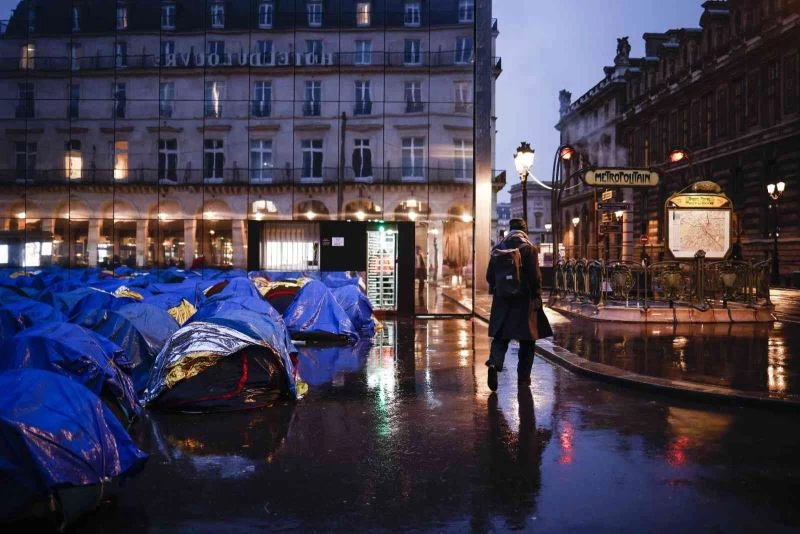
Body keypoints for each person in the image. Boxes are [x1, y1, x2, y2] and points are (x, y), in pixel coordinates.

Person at [485, 218, 552, 391]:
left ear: (510, 229)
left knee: (501, 337)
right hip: (524, 302)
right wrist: (537, 296)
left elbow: (489, 277)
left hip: (503, 301)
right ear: (525, 230)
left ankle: (494, 364)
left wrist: (500, 288)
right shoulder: (529, 248)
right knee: (527, 341)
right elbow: (535, 277)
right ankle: (523, 379)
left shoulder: (497, 248)